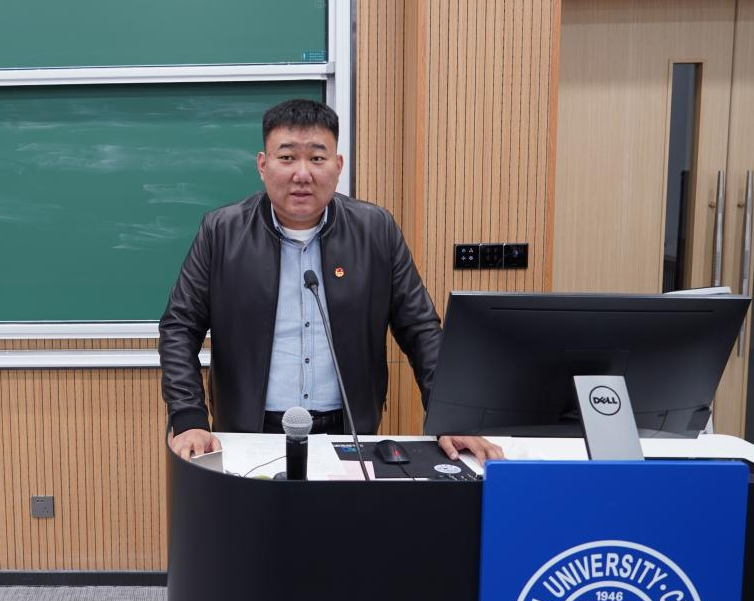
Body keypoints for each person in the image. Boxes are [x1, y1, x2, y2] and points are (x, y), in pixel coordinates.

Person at [159, 99, 503, 464]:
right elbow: (180, 327)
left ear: (337, 166)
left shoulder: (375, 230)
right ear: (263, 165)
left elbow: (421, 330)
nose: (302, 174)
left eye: (317, 158)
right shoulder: (222, 232)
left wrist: (452, 418)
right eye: (287, 157)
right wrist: (189, 417)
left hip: (348, 432)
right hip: (247, 432)